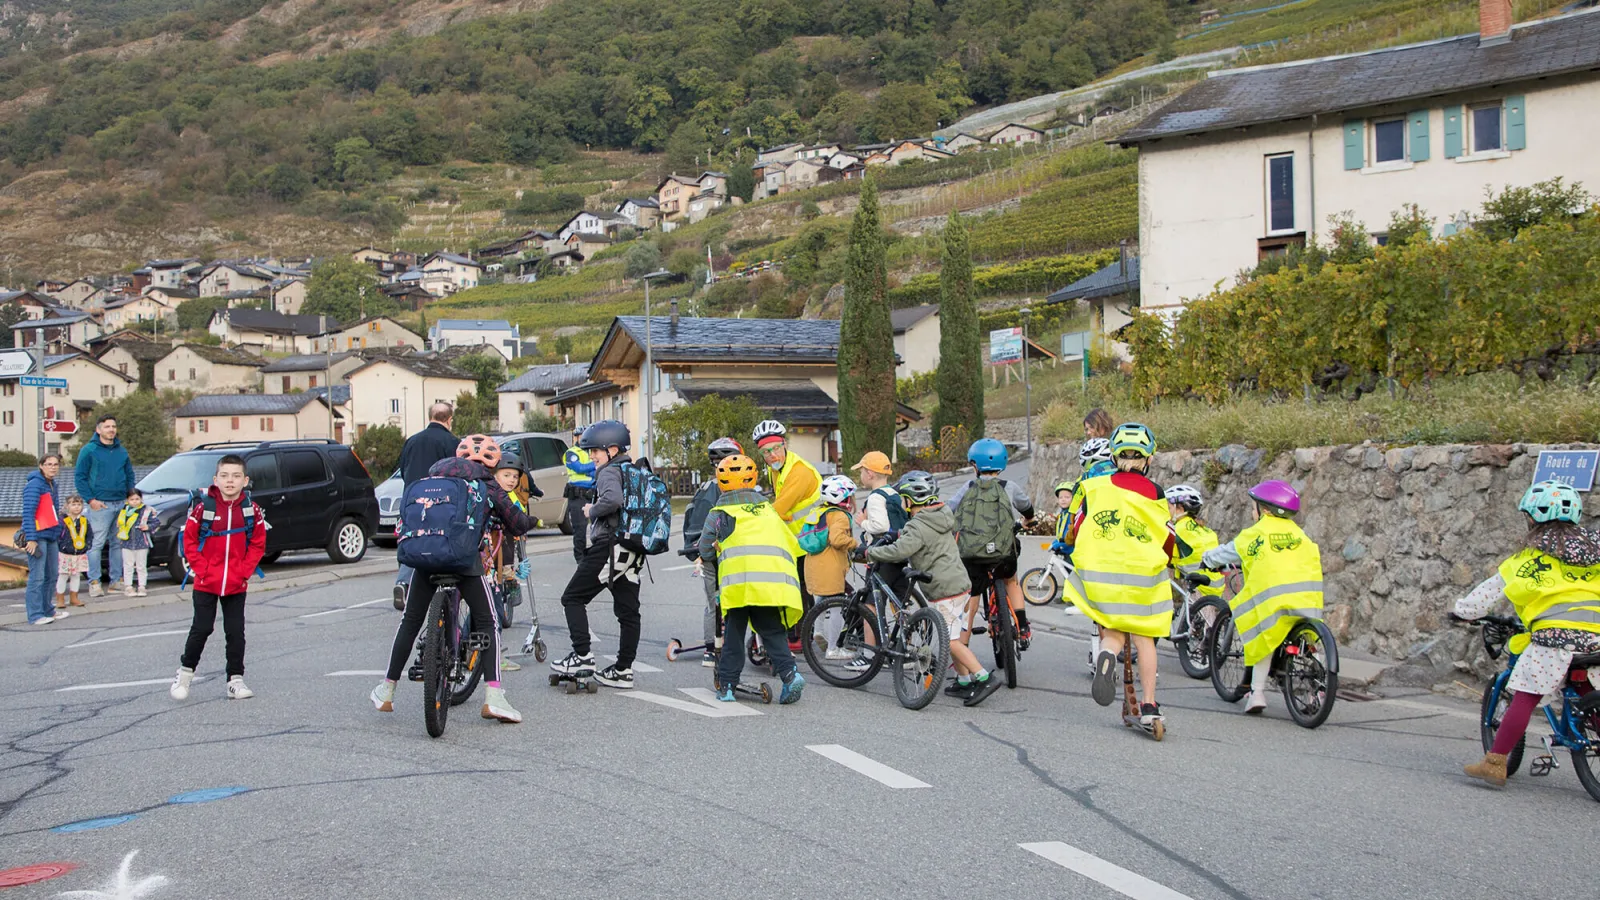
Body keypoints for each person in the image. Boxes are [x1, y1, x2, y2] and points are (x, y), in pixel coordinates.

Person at [371, 435, 539, 722]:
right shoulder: (488, 485)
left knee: (410, 621)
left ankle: (386, 689)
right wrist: (530, 521)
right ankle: (494, 697)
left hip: (425, 559)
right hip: (465, 563)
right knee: (489, 621)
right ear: (492, 464)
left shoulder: (431, 478)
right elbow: (517, 523)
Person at [1454, 481, 1600, 787]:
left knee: (1525, 696)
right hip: (1596, 638)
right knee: (1588, 692)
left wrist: (1461, 612)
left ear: (1532, 518)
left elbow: (1485, 596)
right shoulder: (1596, 554)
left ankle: (1494, 763)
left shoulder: (1527, 560)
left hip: (1555, 640)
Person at [1061, 423, 1185, 731]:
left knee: (1114, 631)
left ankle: (1106, 655)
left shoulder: (1093, 487)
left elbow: (1076, 527)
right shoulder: (1155, 492)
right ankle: (1149, 706)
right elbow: (1167, 536)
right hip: (1142, 576)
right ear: (1149, 458)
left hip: (1102, 576)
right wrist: (1171, 558)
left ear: (1114, 457)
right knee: (1144, 639)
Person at [863, 471, 1003, 706]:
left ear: (911, 500)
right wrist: (897, 533)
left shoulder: (918, 526)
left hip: (945, 589)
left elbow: (900, 550)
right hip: (959, 584)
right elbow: (918, 537)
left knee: (950, 641)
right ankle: (964, 681)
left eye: (903, 499)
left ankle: (984, 678)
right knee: (953, 635)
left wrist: (871, 552)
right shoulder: (939, 515)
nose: (902, 503)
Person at [1200, 480, 1324, 715]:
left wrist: (1207, 559)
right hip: (1306, 599)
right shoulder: (1300, 534)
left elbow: (1227, 552)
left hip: (1274, 602)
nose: (1252, 512)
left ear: (1264, 510)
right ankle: (1319, 686)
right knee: (1308, 642)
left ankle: (1256, 693)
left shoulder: (1256, 533)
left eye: (1253, 507)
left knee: (1263, 639)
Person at [698, 454, 806, 704]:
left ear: (721, 484)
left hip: (739, 585)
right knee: (772, 631)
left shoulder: (719, 513)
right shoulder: (768, 510)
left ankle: (727, 686)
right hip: (771, 582)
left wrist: (714, 551)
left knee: (734, 635)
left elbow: (705, 549)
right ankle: (790, 675)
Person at [550, 420, 646, 689]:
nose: (591, 456)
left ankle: (582, 656)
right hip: (633, 548)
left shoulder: (609, 472)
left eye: (595, 451)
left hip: (609, 547)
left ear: (612, 449)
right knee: (629, 612)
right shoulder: (634, 470)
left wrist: (591, 510)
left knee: (572, 597)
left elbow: (612, 500)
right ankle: (623, 669)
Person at [171, 455, 268, 701]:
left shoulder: (252, 510)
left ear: (245, 480)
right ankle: (184, 675)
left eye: (236, 476)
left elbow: (258, 543)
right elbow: (189, 541)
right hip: (206, 582)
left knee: (235, 632)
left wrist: (243, 572)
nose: (230, 481)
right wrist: (202, 570)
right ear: (216, 479)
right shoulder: (204, 508)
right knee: (202, 628)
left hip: (236, 583)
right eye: (224, 476)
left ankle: (235, 680)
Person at [949, 438, 1036, 650]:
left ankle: (963, 644)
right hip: (1003, 552)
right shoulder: (1009, 487)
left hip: (973, 553)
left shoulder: (968, 487)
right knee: (1011, 581)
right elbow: (1026, 506)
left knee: (973, 594)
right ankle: (1023, 628)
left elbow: (950, 509)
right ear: (1003, 463)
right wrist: (1029, 519)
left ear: (974, 465)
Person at [752, 419, 823, 638]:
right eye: (766, 452)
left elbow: (778, 509)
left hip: (813, 536)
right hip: (797, 539)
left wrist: (749, 520)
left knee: (812, 586)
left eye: (776, 448)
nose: (772, 455)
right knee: (804, 585)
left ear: (784, 444)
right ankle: (804, 631)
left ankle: (806, 633)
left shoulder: (798, 472)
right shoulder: (776, 468)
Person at [680, 437, 744, 666]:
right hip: (729, 554)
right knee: (736, 600)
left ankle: (711, 649)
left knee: (712, 602)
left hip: (706, 553)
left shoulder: (705, 488)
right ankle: (730, 645)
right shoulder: (735, 489)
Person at [393, 402, 459, 610]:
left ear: (430, 416)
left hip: (411, 501)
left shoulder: (411, 441)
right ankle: (444, 589)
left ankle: (404, 582)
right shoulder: (452, 442)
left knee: (412, 540)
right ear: (449, 419)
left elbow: (403, 470)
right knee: (440, 543)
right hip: (440, 503)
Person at [74, 415, 135, 597]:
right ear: (98, 429)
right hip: (100, 504)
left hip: (120, 503)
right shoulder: (89, 450)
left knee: (118, 543)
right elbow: (80, 477)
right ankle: (94, 582)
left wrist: (130, 496)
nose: (111, 429)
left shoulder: (121, 451)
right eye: (107, 426)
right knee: (97, 544)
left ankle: (116, 581)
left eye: (113, 426)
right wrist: (90, 500)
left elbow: (129, 474)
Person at [806, 474, 860, 659]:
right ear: (843, 498)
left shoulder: (818, 511)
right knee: (836, 607)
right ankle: (832, 648)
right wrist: (854, 544)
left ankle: (818, 630)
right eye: (851, 496)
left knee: (821, 600)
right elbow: (837, 539)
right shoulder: (840, 516)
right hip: (831, 567)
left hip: (814, 564)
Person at [852, 450, 908, 599]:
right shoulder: (893, 493)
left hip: (882, 555)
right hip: (898, 551)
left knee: (870, 601)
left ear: (870, 474)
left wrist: (863, 522)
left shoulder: (876, 497)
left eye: (861, 471)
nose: (861, 475)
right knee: (898, 597)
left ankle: (871, 615)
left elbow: (880, 526)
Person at [22, 454, 63, 626]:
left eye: (55, 464)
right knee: (37, 577)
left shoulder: (52, 484)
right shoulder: (35, 485)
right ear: (41, 466)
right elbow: (28, 513)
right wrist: (31, 538)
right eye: (49, 464)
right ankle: (35, 615)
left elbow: (54, 511)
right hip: (38, 536)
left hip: (51, 534)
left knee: (52, 575)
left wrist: (58, 530)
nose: (52, 467)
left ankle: (48, 610)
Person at [1167, 484, 1222, 599]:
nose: (1167, 512)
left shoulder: (1178, 529)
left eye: (1169, 508)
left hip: (1199, 589)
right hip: (1216, 588)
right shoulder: (1203, 529)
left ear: (1180, 509)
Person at [563, 427, 596, 563]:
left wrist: (588, 469)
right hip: (577, 495)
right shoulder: (571, 453)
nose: (583, 438)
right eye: (580, 436)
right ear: (575, 437)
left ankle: (595, 556)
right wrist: (593, 465)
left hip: (592, 493)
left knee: (598, 528)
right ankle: (580, 558)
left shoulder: (591, 451)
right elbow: (578, 468)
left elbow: (596, 471)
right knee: (580, 529)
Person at [117, 488, 157, 598]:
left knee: (141, 566)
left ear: (141, 499)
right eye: (132, 499)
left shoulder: (147, 510)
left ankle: (142, 586)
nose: (135, 502)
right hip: (126, 542)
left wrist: (148, 527)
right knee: (128, 565)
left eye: (137, 499)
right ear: (127, 500)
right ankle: (128, 586)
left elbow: (156, 522)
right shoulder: (123, 511)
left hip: (142, 542)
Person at [56, 495, 92, 611]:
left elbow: (89, 535)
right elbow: (58, 535)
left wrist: (87, 546)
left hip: (80, 553)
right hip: (65, 553)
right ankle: (60, 598)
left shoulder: (84, 520)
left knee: (76, 575)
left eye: (79, 505)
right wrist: (62, 546)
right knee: (63, 575)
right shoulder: (62, 520)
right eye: (73, 504)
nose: (76, 507)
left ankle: (74, 597)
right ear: (67, 506)